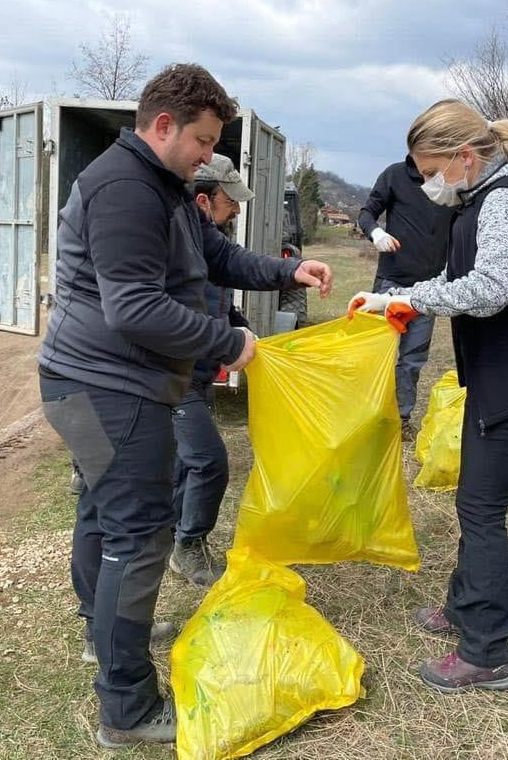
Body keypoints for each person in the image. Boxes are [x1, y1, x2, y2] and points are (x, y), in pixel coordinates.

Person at [37, 63, 333, 748]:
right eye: (203, 140)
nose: (208, 155)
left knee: (103, 517)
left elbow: (216, 257)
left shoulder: (164, 186)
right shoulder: (123, 189)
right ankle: (128, 706)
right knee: (139, 538)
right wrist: (230, 341)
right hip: (110, 389)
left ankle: (104, 635)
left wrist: (288, 270)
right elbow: (135, 307)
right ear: (164, 125)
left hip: (81, 380)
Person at [349, 99, 508, 694]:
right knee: (474, 498)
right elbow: (464, 280)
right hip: (507, 373)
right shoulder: (484, 194)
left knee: (481, 510)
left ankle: (485, 650)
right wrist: (396, 298)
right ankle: (464, 609)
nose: (427, 184)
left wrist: (409, 300)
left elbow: (490, 289)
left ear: (464, 156)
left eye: (431, 171)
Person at [167, 153, 252, 587]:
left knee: (187, 462)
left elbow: (219, 302)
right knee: (208, 461)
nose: (236, 209)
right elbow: (174, 315)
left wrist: (244, 330)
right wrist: (227, 342)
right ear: (203, 201)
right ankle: (187, 545)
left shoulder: (207, 243)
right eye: (229, 201)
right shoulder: (175, 249)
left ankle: (174, 535)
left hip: (197, 375)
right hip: (172, 377)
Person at [358, 157, 453, 440]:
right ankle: (369, 416)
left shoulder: (451, 179)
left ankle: (400, 420)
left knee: (412, 359)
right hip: (391, 282)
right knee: (379, 354)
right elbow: (366, 213)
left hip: (429, 287)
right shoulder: (395, 175)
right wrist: (375, 233)